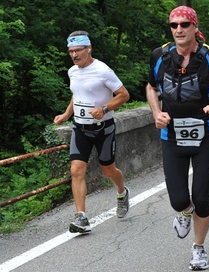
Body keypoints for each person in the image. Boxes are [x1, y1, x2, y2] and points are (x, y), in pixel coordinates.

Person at [146, 6, 209, 271]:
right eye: (173, 25)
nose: (178, 30)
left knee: (202, 197)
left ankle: (198, 248)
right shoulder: (159, 56)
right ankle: (184, 213)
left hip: (204, 136)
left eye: (184, 25)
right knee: (178, 200)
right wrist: (156, 112)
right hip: (171, 135)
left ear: (195, 28)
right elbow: (151, 87)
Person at [54, 30, 131, 233]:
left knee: (108, 170)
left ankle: (122, 193)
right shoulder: (72, 71)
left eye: (78, 50)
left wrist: (104, 109)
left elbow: (124, 95)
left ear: (89, 49)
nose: (74, 55)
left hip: (103, 129)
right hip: (80, 128)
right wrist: (65, 114)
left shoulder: (103, 70)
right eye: (71, 51)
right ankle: (82, 217)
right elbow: (76, 95)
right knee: (76, 170)